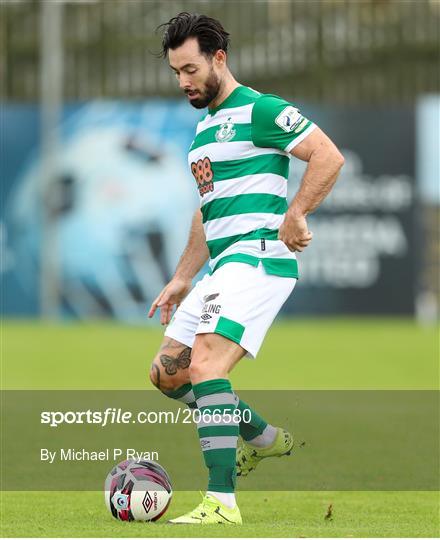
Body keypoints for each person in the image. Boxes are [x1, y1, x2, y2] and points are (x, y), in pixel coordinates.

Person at [148, 12, 344, 525]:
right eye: (175, 72)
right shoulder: (205, 129)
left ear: (219, 58)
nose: (183, 81)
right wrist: (183, 276)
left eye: (190, 69)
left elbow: (327, 156)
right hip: (221, 265)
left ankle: (221, 503)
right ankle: (264, 438)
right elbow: (206, 209)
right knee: (168, 374)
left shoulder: (260, 109)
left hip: (257, 256)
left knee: (207, 366)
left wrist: (296, 211)